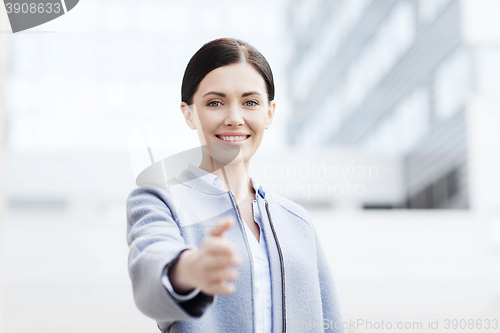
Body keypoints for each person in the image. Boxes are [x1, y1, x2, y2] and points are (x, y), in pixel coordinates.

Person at [126, 37, 346, 333]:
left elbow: (331, 323)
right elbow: (150, 276)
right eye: (215, 102)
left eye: (250, 102)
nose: (234, 118)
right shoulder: (158, 199)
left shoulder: (298, 222)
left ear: (269, 112)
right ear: (189, 113)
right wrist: (189, 269)